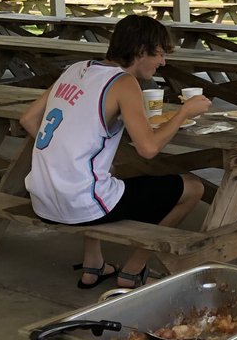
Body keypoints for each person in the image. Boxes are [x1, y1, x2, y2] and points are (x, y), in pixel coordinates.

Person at [18, 15, 210, 289]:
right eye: (159, 54)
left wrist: (67, 152)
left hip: (42, 199)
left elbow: (28, 119)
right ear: (141, 51)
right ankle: (134, 269)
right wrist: (184, 113)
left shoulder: (75, 69)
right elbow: (148, 148)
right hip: (81, 204)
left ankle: (92, 264)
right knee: (193, 188)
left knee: (102, 174)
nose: (162, 62)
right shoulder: (123, 82)